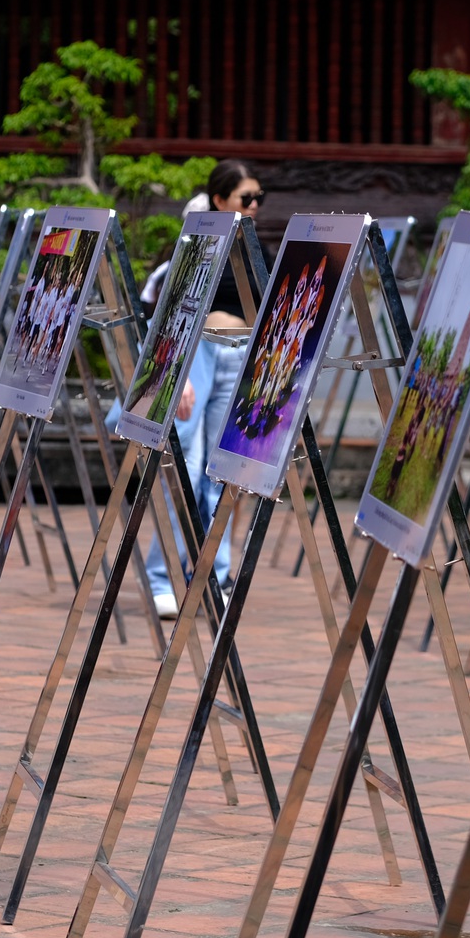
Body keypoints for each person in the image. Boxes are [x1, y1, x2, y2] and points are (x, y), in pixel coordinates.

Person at [145, 160, 264, 617]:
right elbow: (174, 308)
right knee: (187, 466)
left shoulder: (256, 248)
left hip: (240, 357)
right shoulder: (199, 243)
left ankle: (215, 572)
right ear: (220, 201)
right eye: (245, 199)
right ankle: (164, 576)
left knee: (225, 469)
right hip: (201, 354)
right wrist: (175, 374)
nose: (253, 207)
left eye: (258, 199)